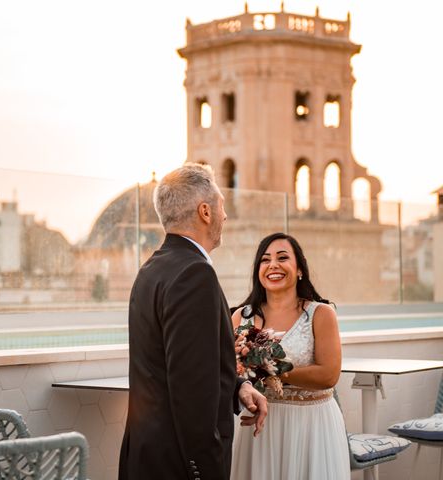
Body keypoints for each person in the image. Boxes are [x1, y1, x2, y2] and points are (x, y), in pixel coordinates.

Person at [119, 163, 267, 480]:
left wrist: (238, 387)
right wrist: (204, 470)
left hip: (147, 455)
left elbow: (180, 365)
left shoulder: (151, 270)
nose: (225, 216)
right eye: (221, 206)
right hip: (179, 466)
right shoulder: (194, 274)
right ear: (205, 212)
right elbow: (191, 390)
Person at [230, 232, 349, 480]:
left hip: (312, 425)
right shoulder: (241, 316)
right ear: (258, 271)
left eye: (282, 257)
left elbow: (328, 375)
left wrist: (269, 369)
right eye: (265, 260)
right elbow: (230, 371)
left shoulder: (321, 313)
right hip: (258, 427)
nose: (273, 265)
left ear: (299, 270)